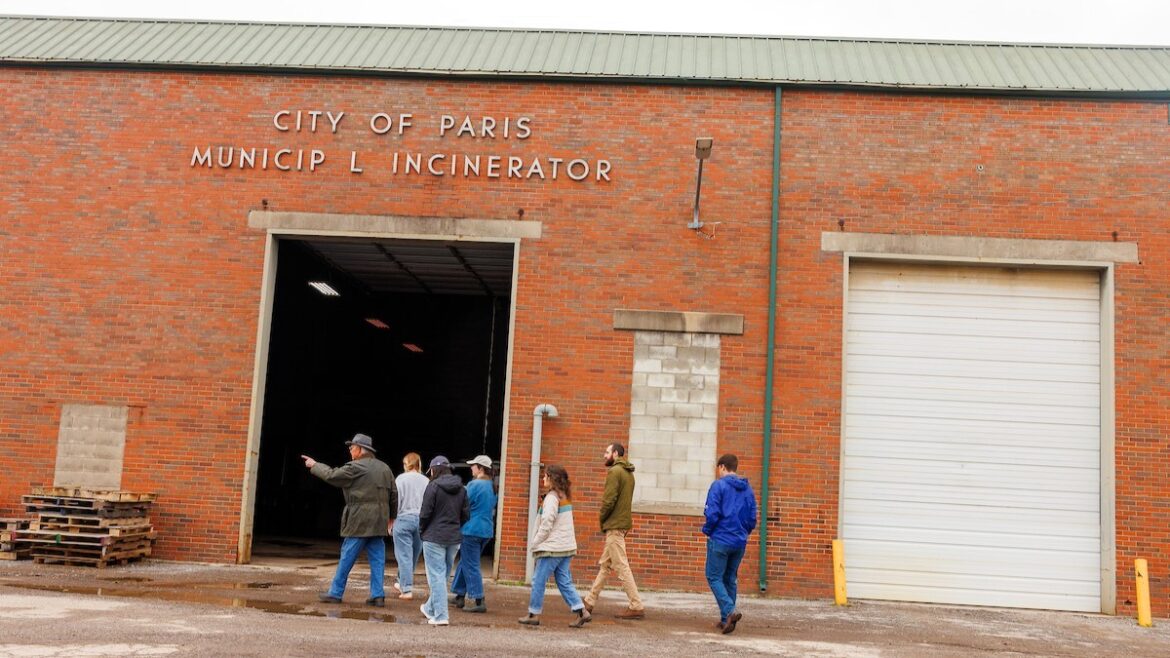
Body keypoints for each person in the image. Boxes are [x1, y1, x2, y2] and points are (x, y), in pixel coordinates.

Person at [301, 433, 395, 607]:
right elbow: (394, 494)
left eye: (352, 448)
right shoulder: (385, 468)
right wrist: (391, 517)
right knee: (377, 560)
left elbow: (332, 475)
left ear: (361, 450)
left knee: (347, 557)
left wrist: (314, 465)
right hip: (379, 521)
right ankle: (378, 595)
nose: (350, 451)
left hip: (359, 520)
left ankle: (335, 593)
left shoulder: (355, 467)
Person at [518, 464, 591, 628]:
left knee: (538, 580)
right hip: (566, 546)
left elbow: (547, 523)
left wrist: (535, 542)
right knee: (563, 580)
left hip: (552, 548)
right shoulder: (563, 495)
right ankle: (581, 611)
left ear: (552, 479)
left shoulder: (551, 497)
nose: (543, 479)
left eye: (545, 476)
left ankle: (533, 614)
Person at [583, 443, 644, 619]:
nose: (604, 455)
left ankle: (636, 605)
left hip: (614, 526)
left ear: (616, 453)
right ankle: (590, 600)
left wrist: (602, 518)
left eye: (607, 452)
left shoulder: (615, 472)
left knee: (621, 566)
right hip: (621, 525)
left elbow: (608, 501)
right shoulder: (628, 474)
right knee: (606, 565)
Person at [701, 453, 758, 635]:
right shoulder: (747, 489)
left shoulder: (718, 486)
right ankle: (727, 620)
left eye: (718, 469)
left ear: (722, 467)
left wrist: (708, 530)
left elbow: (712, 513)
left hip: (720, 539)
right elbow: (752, 517)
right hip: (739, 541)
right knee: (730, 578)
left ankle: (729, 611)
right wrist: (743, 533)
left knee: (713, 576)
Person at [418, 455, 469, 626]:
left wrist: (422, 531)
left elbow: (425, 513)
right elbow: (465, 515)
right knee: (443, 574)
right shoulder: (462, 489)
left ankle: (441, 616)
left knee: (436, 576)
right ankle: (429, 608)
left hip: (434, 537)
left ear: (434, 469)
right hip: (453, 538)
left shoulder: (432, 487)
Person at [450, 455, 498, 613]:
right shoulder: (492, 486)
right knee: (467, 561)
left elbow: (462, 503)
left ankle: (479, 600)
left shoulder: (474, 485)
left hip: (471, 529)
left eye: (473, 466)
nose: (471, 468)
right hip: (486, 530)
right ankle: (459, 595)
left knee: (471, 564)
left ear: (481, 468)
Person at [391, 451, 429, 600]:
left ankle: (406, 589)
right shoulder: (426, 481)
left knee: (404, 555)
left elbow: (395, 501)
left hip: (403, 518)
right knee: (413, 555)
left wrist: (391, 520)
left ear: (406, 464)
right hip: (420, 520)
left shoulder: (400, 479)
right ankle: (401, 581)